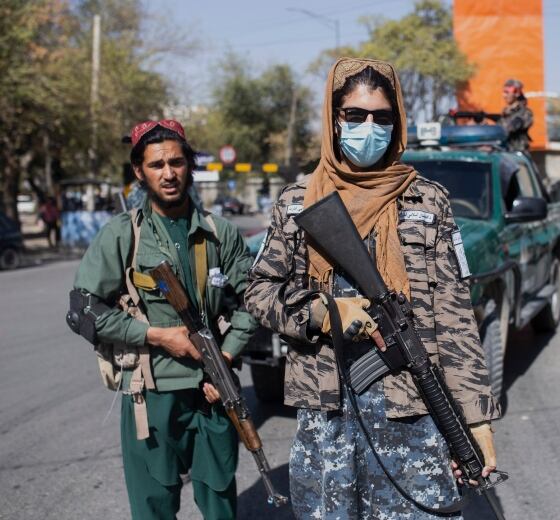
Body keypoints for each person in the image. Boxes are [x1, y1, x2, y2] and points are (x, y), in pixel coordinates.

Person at [245, 57, 500, 519]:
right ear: (334, 118)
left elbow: (455, 314)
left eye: (382, 117)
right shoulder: (298, 202)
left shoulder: (427, 199)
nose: (369, 127)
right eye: (356, 115)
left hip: (413, 409)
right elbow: (259, 291)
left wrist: (477, 417)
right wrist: (325, 314)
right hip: (328, 415)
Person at [70, 119, 257, 519]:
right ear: (139, 171)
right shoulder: (122, 235)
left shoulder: (220, 233)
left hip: (213, 392)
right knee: (153, 508)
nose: (169, 173)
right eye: (156, 165)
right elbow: (83, 311)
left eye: (176, 162)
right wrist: (154, 335)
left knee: (221, 502)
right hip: (150, 397)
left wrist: (226, 354)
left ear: (190, 165)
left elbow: (254, 302)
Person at [499, 78, 534, 152]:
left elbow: (512, 127)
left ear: (517, 93)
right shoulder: (505, 112)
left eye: (507, 92)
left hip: (517, 155)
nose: (504, 95)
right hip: (503, 153)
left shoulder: (525, 112)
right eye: (504, 92)